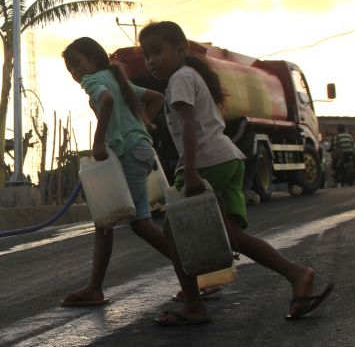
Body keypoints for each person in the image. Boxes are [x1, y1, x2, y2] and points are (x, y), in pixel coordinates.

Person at [138, 21, 334, 325]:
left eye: (157, 52)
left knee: (175, 236)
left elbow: (189, 126)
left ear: (181, 49)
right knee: (233, 237)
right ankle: (297, 275)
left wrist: (190, 172)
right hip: (227, 159)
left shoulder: (180, 79)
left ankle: (193, 305)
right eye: (146, 55)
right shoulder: (191, 76)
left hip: (205, 164)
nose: (150, 60)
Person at [59, 37, 221, 306]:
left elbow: (107, 101)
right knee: (105, 221)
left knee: (141, 224)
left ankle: (200, 275)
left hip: (128, 154)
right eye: (70, 70)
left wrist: (98, 141)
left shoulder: (95, 81)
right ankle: (94, 288)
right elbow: (155, 98)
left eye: (77, 64)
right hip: (139, 151)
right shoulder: (117, 78)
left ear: (94, 58)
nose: (76, 73)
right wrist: (144, 123)